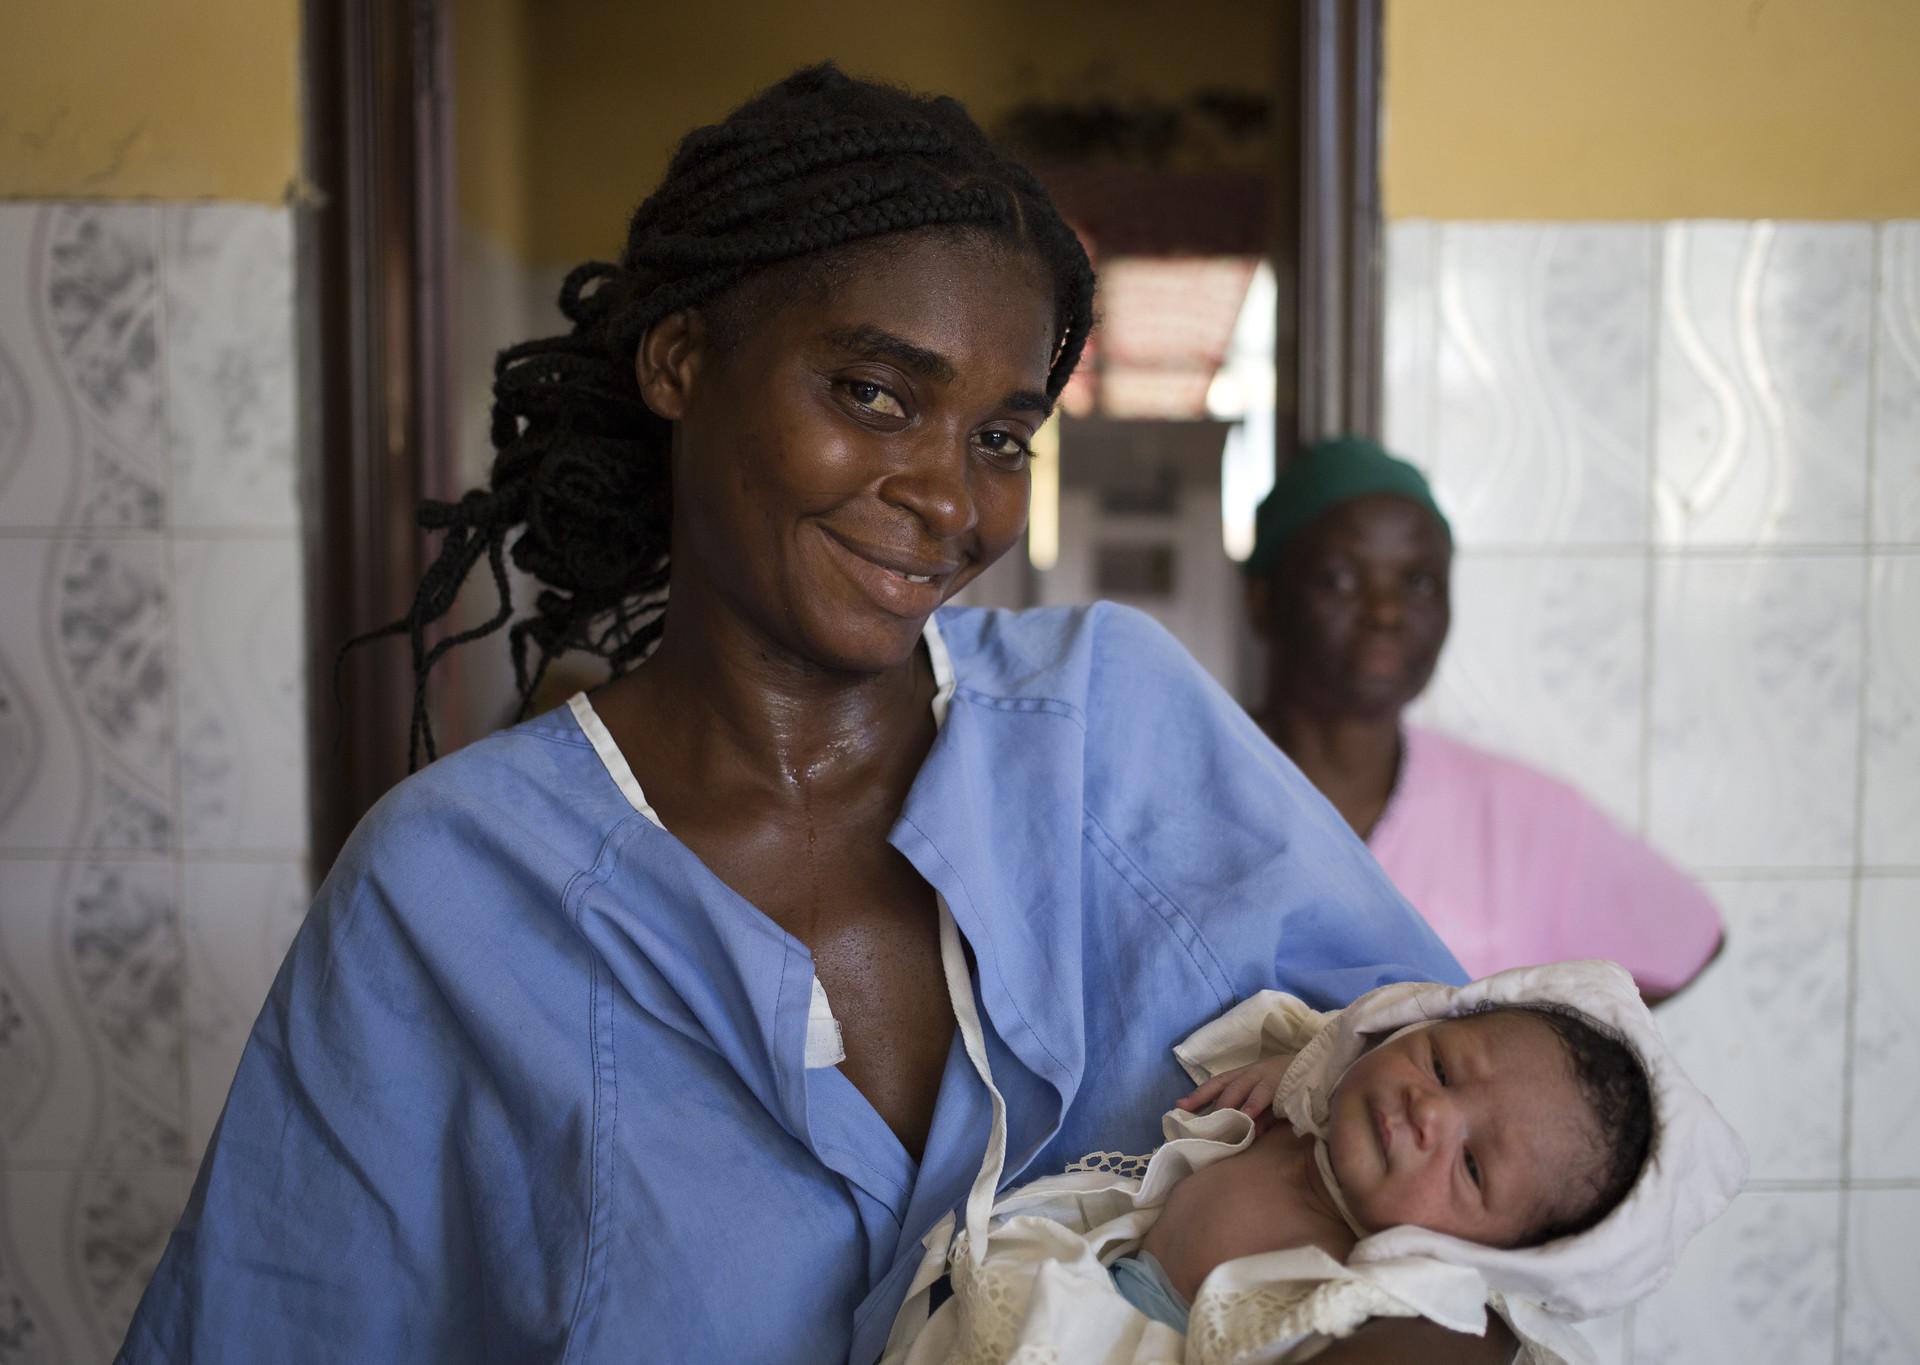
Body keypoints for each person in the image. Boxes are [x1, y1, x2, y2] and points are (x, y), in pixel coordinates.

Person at [119, 68, 1486, 1364]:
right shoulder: (451, 893)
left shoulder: (1115, 734)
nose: (951, 501)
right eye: (875, 395)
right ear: (679, 362)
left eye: (999, 437)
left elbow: (1511, 1175)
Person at [883, 961, 1746, 1364]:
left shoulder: (1396, 1299)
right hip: (1071, 1285)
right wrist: (1291, 1075)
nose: (1429, 1111)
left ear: (1499, 1255)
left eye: (1474, 1168)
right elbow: (1325, 1039)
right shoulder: (1317, 1091)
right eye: (1442, 1063)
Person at [1245, 438, 1724, 1003]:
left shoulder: (1526, 817)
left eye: (1419, 582)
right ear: (1263, 598)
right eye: (1339, 579)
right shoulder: (1187, 788)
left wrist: (1540, 1054)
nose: (1385, 611)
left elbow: (1689, 938)